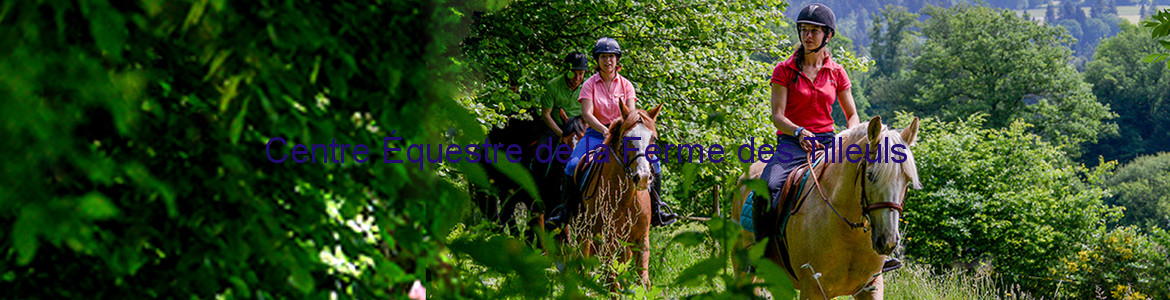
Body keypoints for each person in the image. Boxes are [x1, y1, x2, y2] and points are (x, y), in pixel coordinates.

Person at [757, 3, 899, 271]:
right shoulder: (783, 70)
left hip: (830, 143)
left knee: (869, 182)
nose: (807, 35)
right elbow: (777, 116)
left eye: (814, 31)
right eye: (803, 30)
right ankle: (763, 251)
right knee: (769, 185)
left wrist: (850, 136)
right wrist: (798, 131)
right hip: (791, 142)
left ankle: (881, 252)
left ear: (828, 36)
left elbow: (852, 115)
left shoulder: (837, 72)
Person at [546, 37, 679, 228]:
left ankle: (658, 210)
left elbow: (632, 115)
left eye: (611, 56)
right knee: (572, 165)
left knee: (655, 164)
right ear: (597, 60)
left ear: (617, 60)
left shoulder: (627, 85)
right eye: (603, 57)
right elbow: (587, 113)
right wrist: (603, 129)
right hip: (594, 135)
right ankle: (565, 212)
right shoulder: (589, 84)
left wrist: (620, 131)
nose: (607, 60)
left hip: (622, 137)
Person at [539, 52, 589, 137]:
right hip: (556, 127)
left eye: (580, 74)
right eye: (573, 74)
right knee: (542, 148)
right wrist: (561, 135)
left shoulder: (588, 87)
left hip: (580, 128)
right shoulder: (552, 86)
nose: (577, 79)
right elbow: (546, 115)